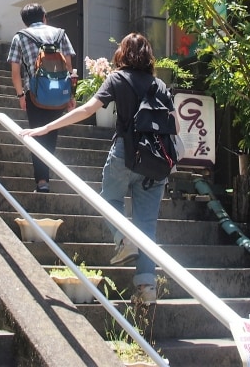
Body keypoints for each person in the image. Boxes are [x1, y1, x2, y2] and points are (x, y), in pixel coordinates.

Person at [20, 32, 178, 304]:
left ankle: (122, 238)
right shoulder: (160, 85)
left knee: (108, 200)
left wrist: (46, 127)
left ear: (123, 53)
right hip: (155, 162)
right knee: (147, 226)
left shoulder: (118, 78)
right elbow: (174, 127)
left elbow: (88, 110)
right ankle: (147, 288)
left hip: (125, 155)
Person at [7, 3, 76, 193]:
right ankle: (47, 174)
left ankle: (42, 181)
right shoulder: (60, 34)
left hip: (35, 93)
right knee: (51, 132)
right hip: (59, 92)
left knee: (37, 135)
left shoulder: (20, 36)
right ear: (44, 17)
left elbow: (15, 72)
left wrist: (21, 95)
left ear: (25, 21)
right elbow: (69, 66)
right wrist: (71, 94)